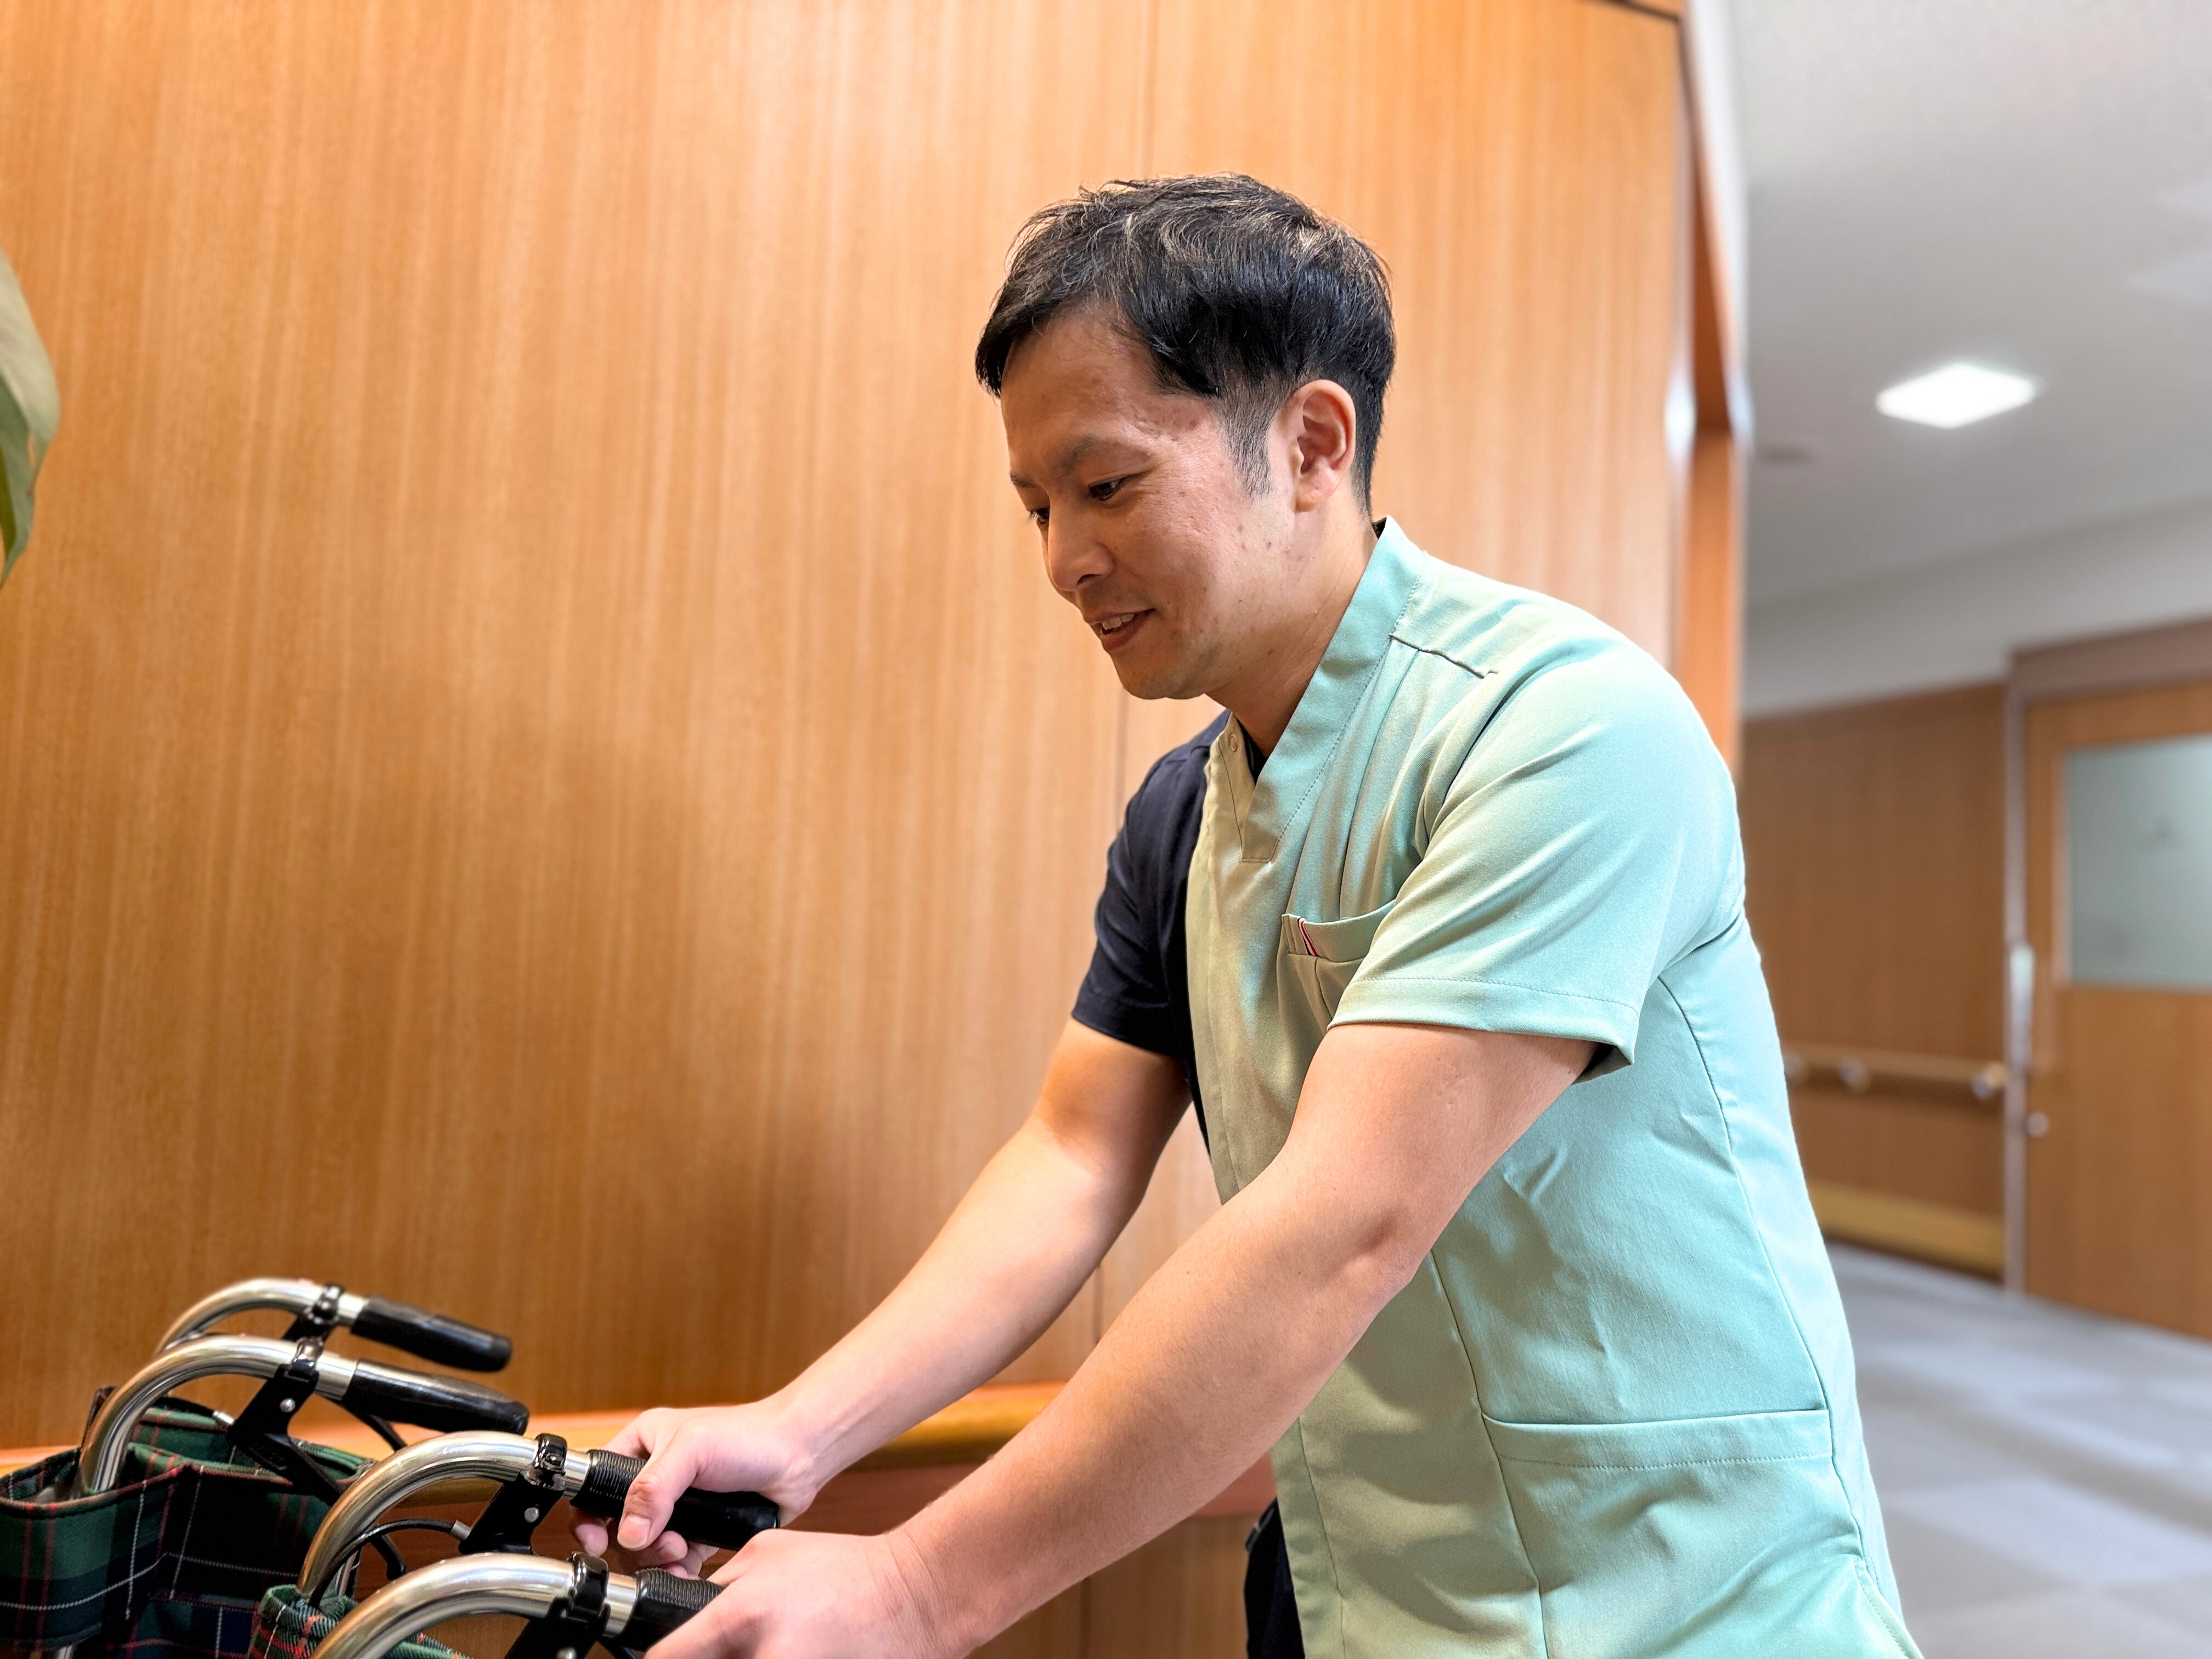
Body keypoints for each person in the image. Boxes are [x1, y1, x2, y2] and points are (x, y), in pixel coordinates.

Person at [572, 174, 1919, 1659]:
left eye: (1107, 486)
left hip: (1685, 1593)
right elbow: (1074, 1158)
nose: (1063, 561)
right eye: (1037, 508)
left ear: (1312, 444)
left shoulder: (1566, 731)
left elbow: (1344, 1222)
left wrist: (914, 1591)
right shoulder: (1184, 815)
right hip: (1377, 1581)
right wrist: (803, 1427)